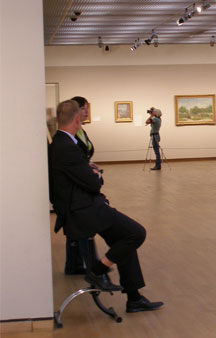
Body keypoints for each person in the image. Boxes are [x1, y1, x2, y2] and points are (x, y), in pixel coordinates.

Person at [49, 100, 164, 313]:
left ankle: (134, 298)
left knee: (124, 239)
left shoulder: (60, 142)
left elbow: (80, 175)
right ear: (77, 120)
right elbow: (93, 183)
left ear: (58, 119)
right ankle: (97, 271)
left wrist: (89, 170)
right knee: (136, 233)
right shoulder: (66, 147)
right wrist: (96, 174)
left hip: (84, 206)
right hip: (83, 211)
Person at [61, 96, 97, 275]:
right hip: (77, 187)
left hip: (82, 180)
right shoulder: (68, 137)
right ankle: (93, 269)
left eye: (87, 108)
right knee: (83, 226)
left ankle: (73, 265)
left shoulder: (81, 131)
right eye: (83, 108)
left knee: (76, 228)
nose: (86, 112)